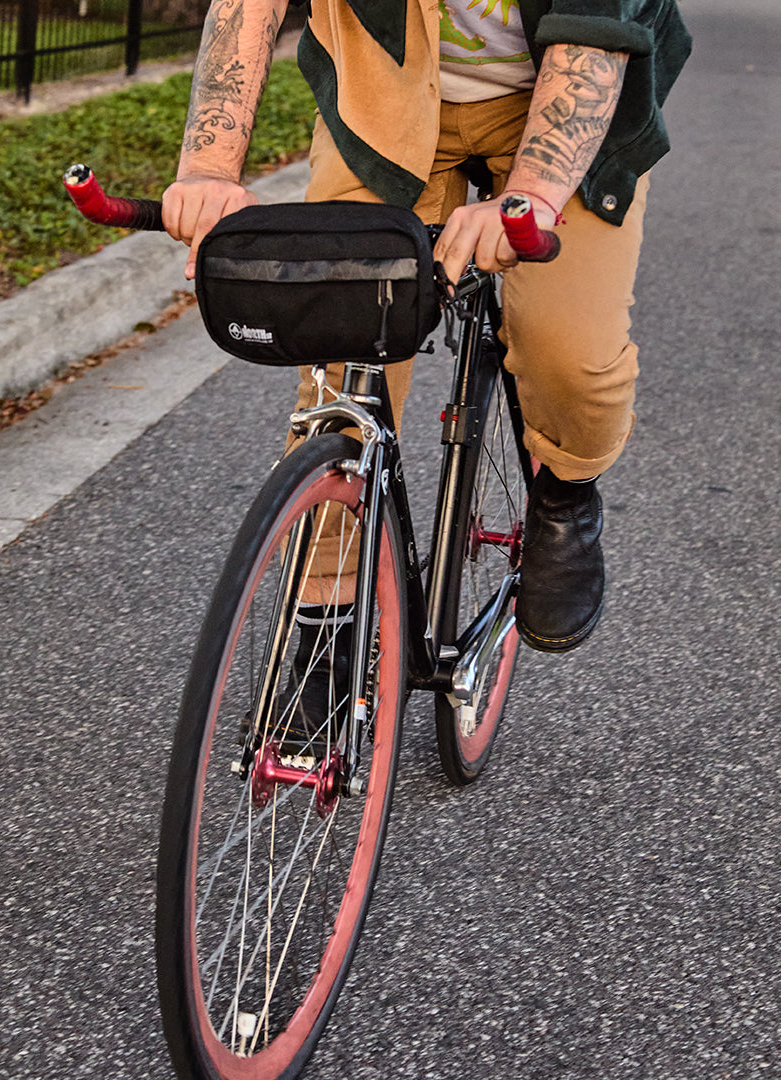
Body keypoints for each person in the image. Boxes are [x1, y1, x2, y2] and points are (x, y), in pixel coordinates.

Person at [163, 0, 691, 654]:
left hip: (561, 100)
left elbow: (591, 39)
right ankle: (323, 635)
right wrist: (209, 169)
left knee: (571, 357)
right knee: (339, 374)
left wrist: (532, 197)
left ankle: (565, 494)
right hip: (387, 95)